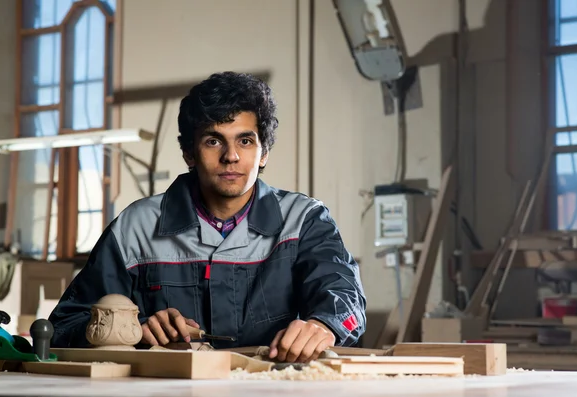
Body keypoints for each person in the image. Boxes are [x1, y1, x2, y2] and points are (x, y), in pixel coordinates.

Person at [48, 71, 366, 363]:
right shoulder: (136, 228)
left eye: (245, 140)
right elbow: (63, 327)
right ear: (189, 152)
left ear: (264, 152)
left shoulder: (305, 220)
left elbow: (348, 300)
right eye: (213, 141)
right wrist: (133, 330)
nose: (231, 156)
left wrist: (324, 324)